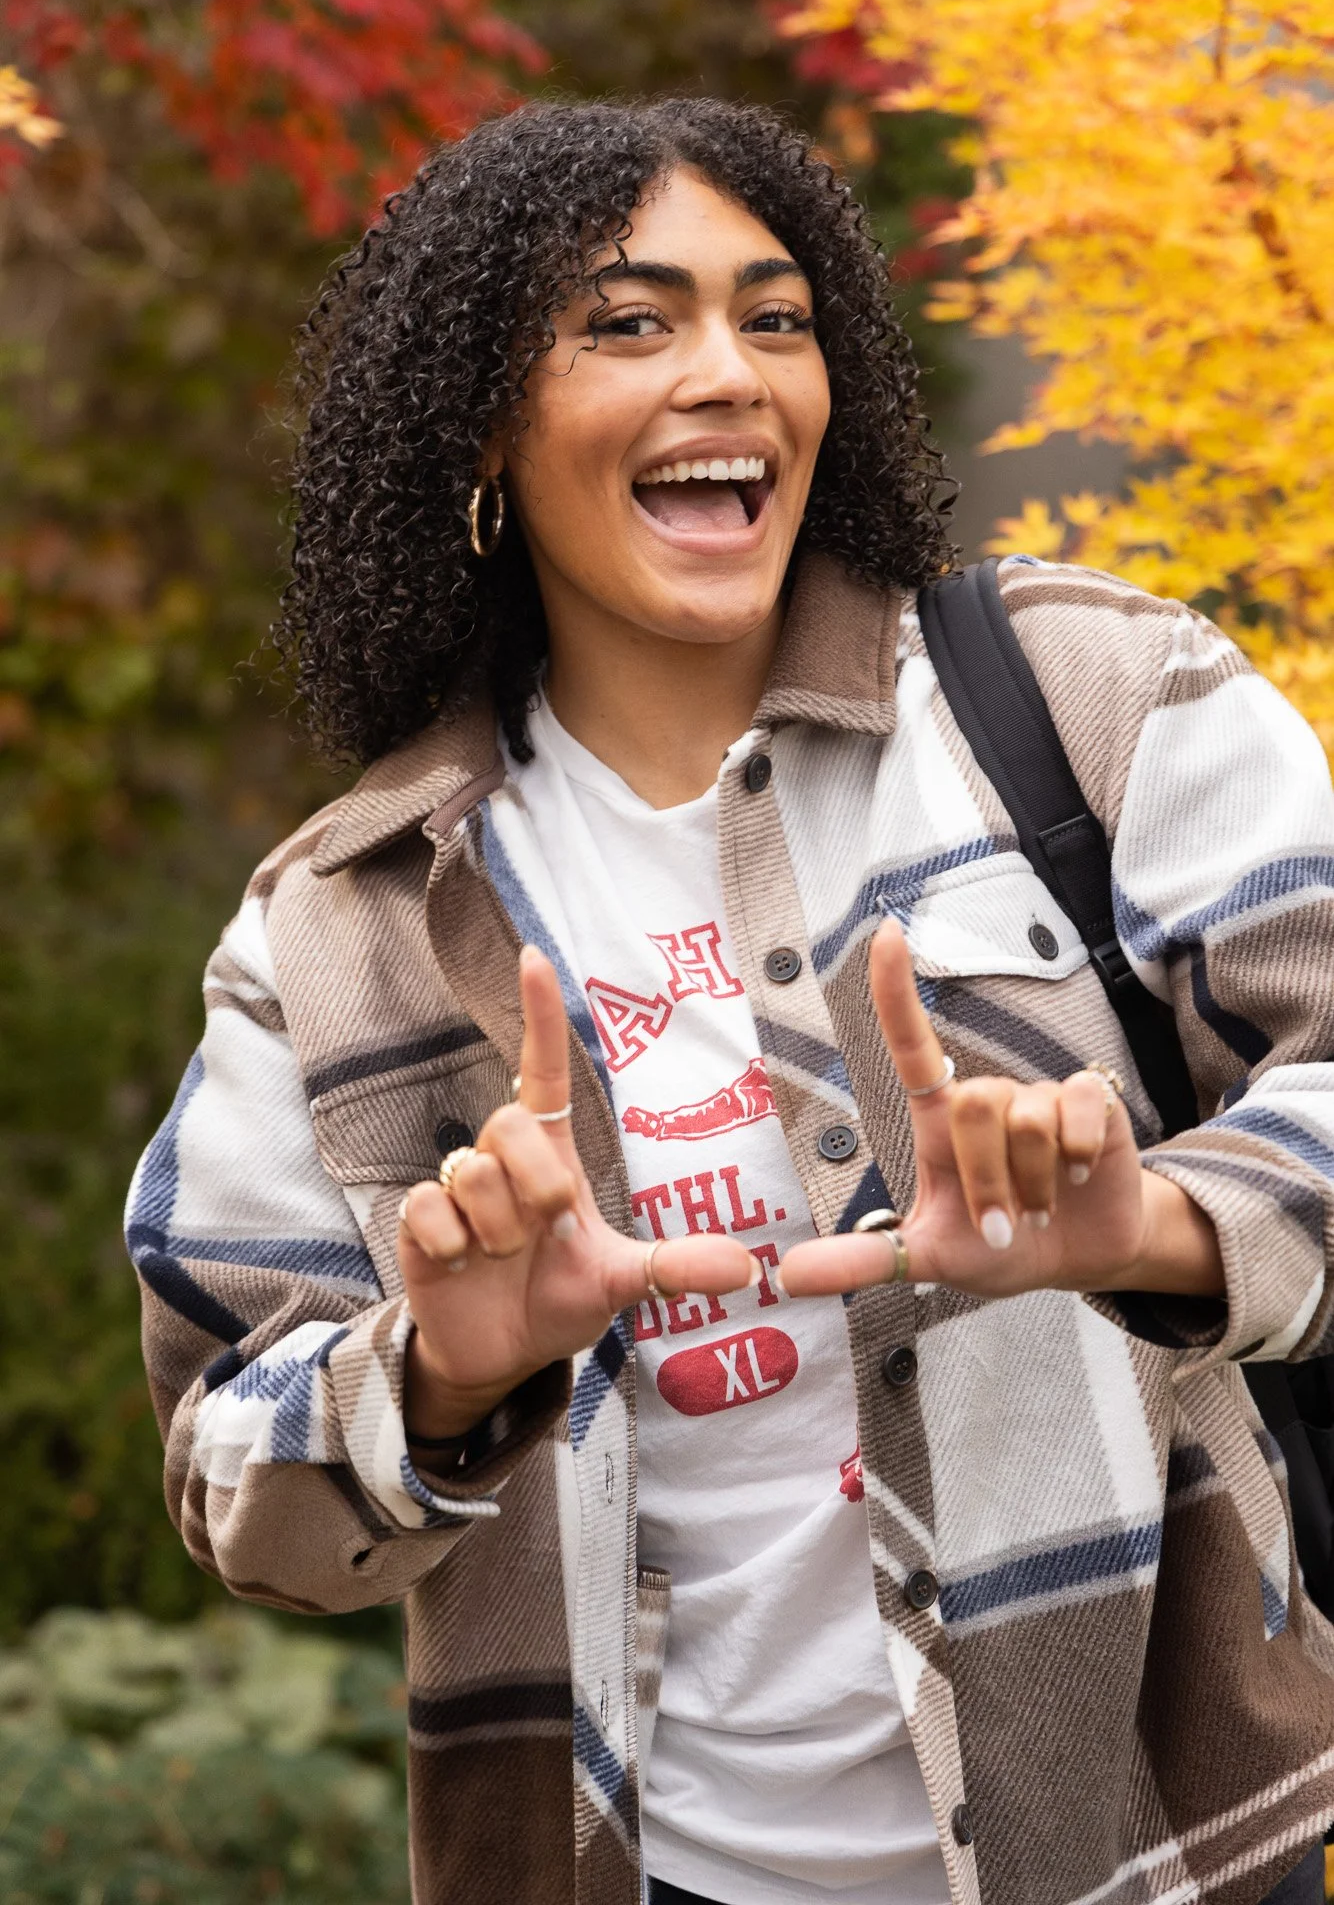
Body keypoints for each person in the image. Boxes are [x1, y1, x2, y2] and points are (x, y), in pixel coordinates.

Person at [125, 97, 1334, 1905]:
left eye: (775, 319)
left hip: (1150, 1850)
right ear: (479, 432)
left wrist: (1155, 1224)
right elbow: (239, 1485)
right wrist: (444, 1365)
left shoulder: (1088, 696)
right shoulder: (339, 921)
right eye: (630, 323)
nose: (730, 373)